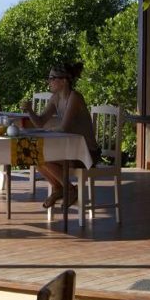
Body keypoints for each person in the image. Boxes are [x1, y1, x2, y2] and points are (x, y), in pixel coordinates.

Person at [20, 62, 100, 209]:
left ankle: (68, 189)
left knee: (39, 155)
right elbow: (40, 122)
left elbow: (64, 128)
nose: (48, 81)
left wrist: (48, 131)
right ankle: (60, 188)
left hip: (85, 153)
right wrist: (30, 111)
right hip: (69, 151)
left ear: (64, 81)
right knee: (31, 154)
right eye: (49, 78)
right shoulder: (56, 98)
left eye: (52, 78)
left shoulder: (74, 97)